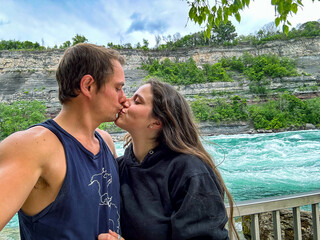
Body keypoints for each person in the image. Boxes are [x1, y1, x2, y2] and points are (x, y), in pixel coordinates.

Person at [0, 43, 127, 239]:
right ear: (88, 86)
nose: (124, 99)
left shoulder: (106, 141)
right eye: (118, 88)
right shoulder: (32, 147)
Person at [99, 79, 240, 240]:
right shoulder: (119, 168)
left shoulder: (189, 171)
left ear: (156, 122)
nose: (125, 100)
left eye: (137, 101)